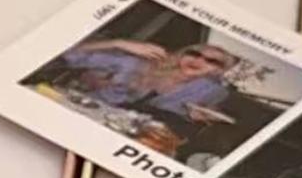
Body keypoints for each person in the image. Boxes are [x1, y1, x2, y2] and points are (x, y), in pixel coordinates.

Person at [53, 36, 238, 125]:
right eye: (194, 54)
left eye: (212, 61)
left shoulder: (208, 89)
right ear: (183, 53)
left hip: (123, 130)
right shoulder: (139, 62)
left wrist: (198, 117)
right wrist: (118, 43)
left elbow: (201, 113)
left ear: (219, 70)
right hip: (81, 113)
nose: (199, 60)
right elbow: (68, 53)